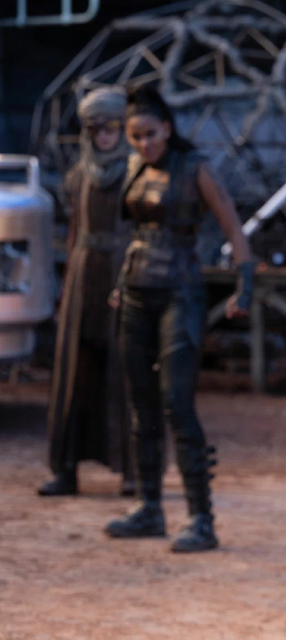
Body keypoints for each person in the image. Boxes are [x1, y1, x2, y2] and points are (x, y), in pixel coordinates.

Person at [103, 87, 253, 553]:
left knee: (176, 404)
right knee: (141, 403)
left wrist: (245, 285)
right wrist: (120, 284)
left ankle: (201, 518)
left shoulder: (195, 168)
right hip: (136, 291)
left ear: (167, 128)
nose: (144, 144)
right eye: (135, 137)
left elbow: (232, 224)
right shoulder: (134, 167)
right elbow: (132, 231)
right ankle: (149, 507)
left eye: (150, 134)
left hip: (180, 292)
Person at [40, 87, 135, 497]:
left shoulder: (137, 172)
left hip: (123, 273)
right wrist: (66, 289)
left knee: (126, 370)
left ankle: (134, 473)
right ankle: (65, 470)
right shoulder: (78, 175)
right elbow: (76, 230)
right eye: (97, 129)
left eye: (112, 127)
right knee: (73, 371)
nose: (105, 136)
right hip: (83, 277)